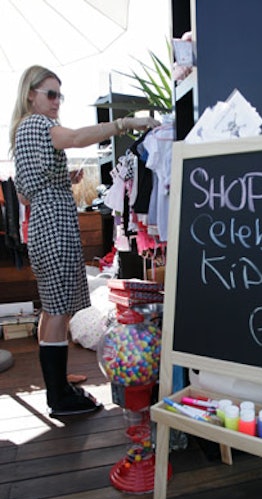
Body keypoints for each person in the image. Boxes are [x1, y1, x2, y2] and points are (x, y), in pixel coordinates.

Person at [9, 65, 160, 417]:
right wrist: (124, 124)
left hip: (44, 221)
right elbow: (76, 138)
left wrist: (62, 180)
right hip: (54, 225)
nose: (56, 102)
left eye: (59, 95)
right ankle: (59, 398)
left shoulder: (23, 132)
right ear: (30, 94)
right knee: (59, 310)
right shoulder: (37, 123)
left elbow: (26, 193)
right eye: (50, 94)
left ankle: (57, 382)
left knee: (52, 308)